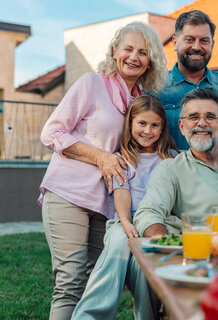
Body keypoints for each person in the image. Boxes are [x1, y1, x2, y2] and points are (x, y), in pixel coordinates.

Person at [38, 22, 167, 319]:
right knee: (69, 283)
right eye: (128, 49)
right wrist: (101, 158)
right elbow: (52, 132)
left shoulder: (138, 102)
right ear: (114, 51)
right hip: (68, 194)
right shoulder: (91, 83)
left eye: (143, 52)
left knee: (93, 287)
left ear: (150, 61)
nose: (134, 57)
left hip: (105, 203)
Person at [72, 95, 177, 320]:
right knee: (119, 242)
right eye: (142, 123)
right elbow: (122, 193)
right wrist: (126, 222)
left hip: (158, 223)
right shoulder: (122, 159)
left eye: (154, 125)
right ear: (130, 124)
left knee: (143, 267)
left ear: (162, 128)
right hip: (125, 220)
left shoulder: (172, 158)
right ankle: (90, 315)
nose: (148, 130)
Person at [133, 87, 218, 237]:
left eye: (210, 117)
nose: (202, 123)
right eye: (193, 117)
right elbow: (148, 213)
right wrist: (165, 243)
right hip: (199, 255)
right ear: (182, 127)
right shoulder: (171, 169)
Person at [156, 10, 218, 150]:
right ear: (175, 43)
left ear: (212, 44)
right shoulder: (156, 88)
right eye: (189, 40)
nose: (197, 47)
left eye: (204, 41)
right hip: (175, 171)